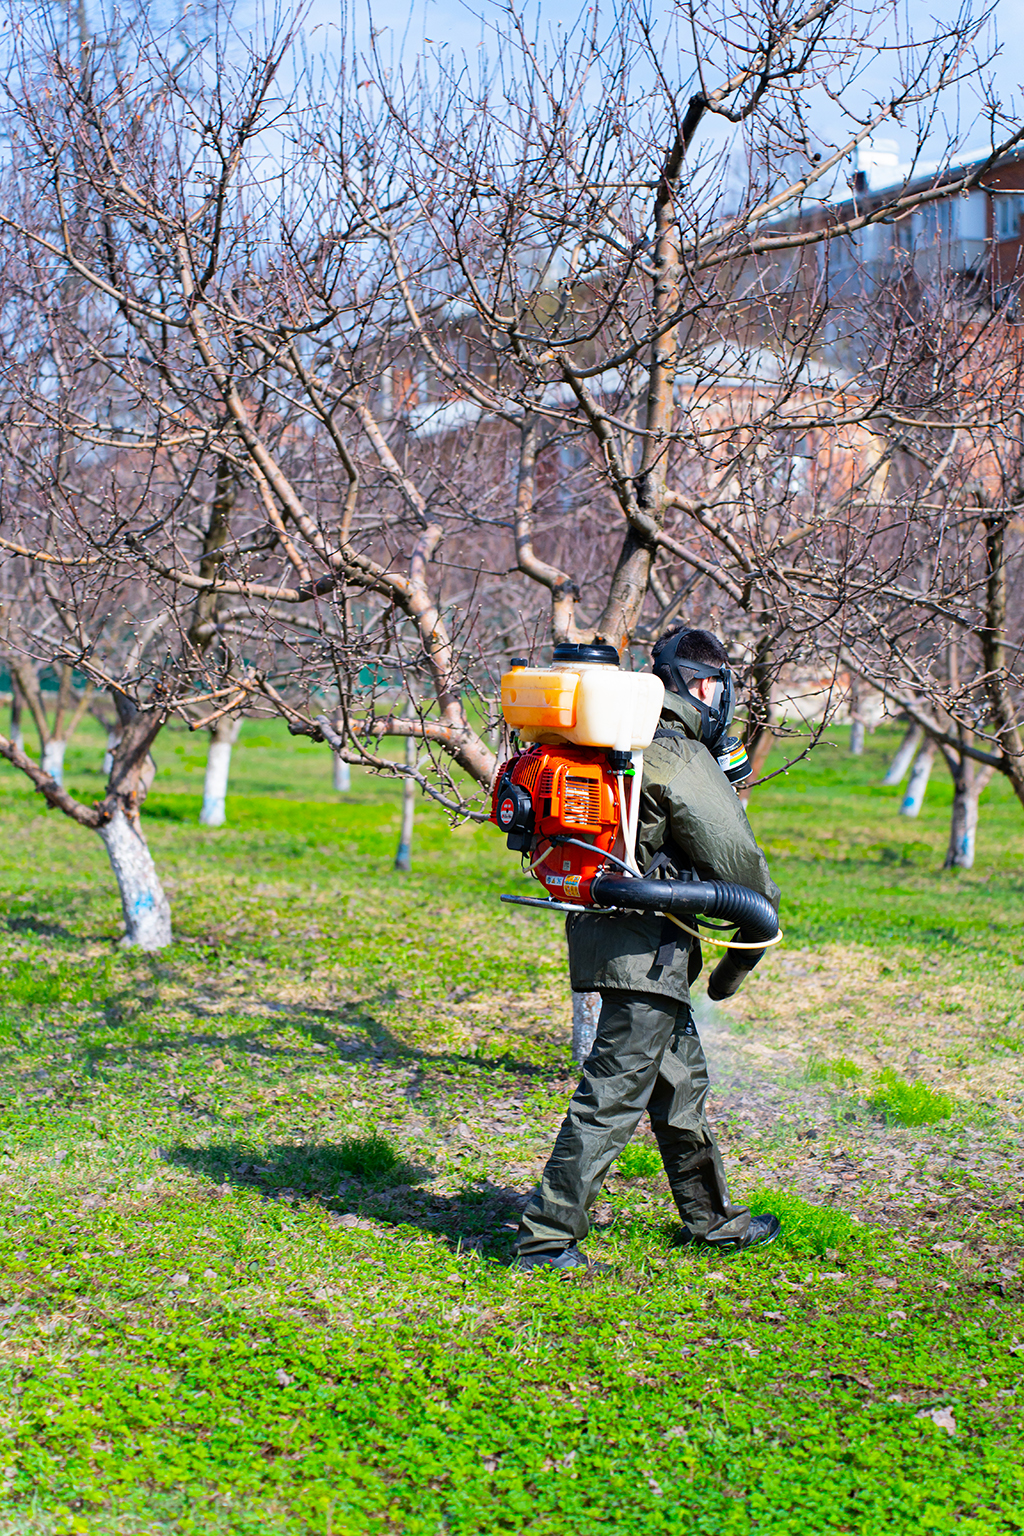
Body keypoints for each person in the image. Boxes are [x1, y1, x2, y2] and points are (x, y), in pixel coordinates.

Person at [514, 627, 782, 1273]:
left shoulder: (624, 738)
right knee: (612, 1095)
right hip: (649, 950)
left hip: (615, 938)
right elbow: (742, 867)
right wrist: (738, 964)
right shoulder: (678, 754)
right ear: (705, 688)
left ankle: (711, 1220)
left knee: (681, 1085)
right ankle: (545, 1239)